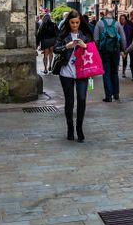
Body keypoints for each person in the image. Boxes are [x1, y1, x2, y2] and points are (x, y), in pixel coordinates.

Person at [52, 10, 93, 142]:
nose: (74, 25)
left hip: (82, 72)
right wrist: (66, 46)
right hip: (66, 72)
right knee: (69, 101)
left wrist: (85, 46)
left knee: (81, 98)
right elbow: (55, 49)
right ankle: (70, 127)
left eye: (77, 22)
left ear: (80, 22)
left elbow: (94, 48)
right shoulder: (63, 34)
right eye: (72, 23)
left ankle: (79, 128)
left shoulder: (85, 34)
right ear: (68, 22)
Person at [93, 10, 127, 102]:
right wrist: (124, 50)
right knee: (115, 72)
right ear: (112, 15)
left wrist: (97, 51)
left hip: (104, 51)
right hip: (115, 51)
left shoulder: (99, 23)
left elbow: (95, 39)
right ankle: (116, 94)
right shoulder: (117, 24)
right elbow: (123, 38)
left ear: (104, 14)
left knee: (106, 72)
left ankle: (108, 96)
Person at [123, 9, 133, 79]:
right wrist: (126, 45)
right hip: (131, 44)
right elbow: (126, 35)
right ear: (131, 15)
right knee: (132, 60)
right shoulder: (128, 23)